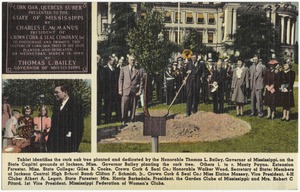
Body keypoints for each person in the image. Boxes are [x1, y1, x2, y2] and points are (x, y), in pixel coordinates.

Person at [47, 84, 84, 152]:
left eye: (57, 92)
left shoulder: (75, 106)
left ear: (65, 93)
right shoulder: (57, 107)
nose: (55, 94)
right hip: (55, 147)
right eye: (54, 92)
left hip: (68, 146)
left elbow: (78, 128)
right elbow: (53, 127)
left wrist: (74, 147)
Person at [118, 55, 143, 124]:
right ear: (128, 61)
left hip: (134, 91)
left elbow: (141, 81)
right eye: (131, 60)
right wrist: (120, 89)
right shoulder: (123, 69)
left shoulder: (138, 70)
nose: (133, 61)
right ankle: (123, 119)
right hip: (125, 90)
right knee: (124, 105)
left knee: (133, 105)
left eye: (134, 60)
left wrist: (140, 90)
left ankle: (132, 119)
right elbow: (120, 79)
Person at [103, 56, 121, 123]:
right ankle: (107, 120)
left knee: (117, 105)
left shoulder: (117, 69)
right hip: (108, 92)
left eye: (114, 61)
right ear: (109, 61)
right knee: (108, 106)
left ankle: (118, 118)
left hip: (116, 91)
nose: (114, 62)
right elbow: (103, 82)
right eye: (113, 61)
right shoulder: (104, 70)